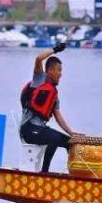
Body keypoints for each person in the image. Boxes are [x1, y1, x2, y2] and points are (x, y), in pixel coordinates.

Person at [19, 43, 78, 173]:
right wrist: (55, 49)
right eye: (58, 70)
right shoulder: (39, 80)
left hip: (40, 129)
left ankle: (74, 174)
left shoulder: (54, 94)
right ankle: (44, 173)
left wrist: (72, 134)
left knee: (70, 142)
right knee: (54, 138)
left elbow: (58, 117)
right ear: (49, 71)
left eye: (61, 71)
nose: (60, 74)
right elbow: (39, 59)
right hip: (29, 129)